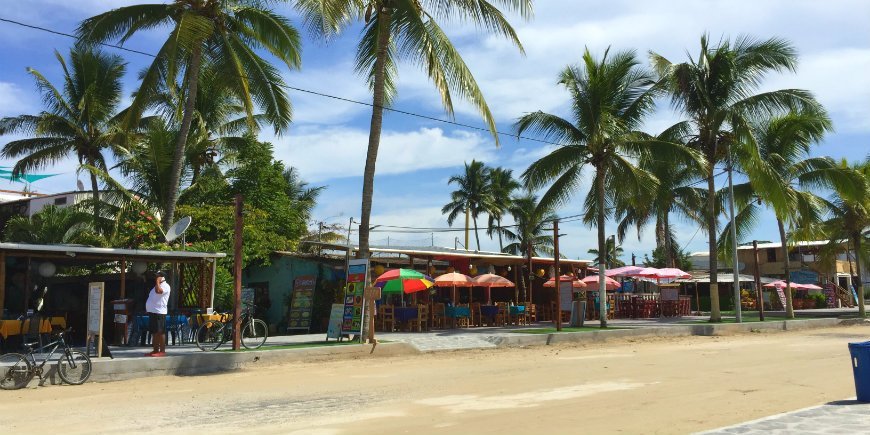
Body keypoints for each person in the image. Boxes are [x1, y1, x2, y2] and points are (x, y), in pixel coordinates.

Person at [145, 271, 170, 357]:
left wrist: (158, 282)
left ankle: (162, 351)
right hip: (153, 312)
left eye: (157, 276)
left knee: (160, 332)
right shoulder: (156, 286)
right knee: (154, 332)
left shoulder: (166, 286)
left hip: (159, 312)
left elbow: (159, 291)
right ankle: (155, 350)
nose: (156, 277)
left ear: (162, 277)